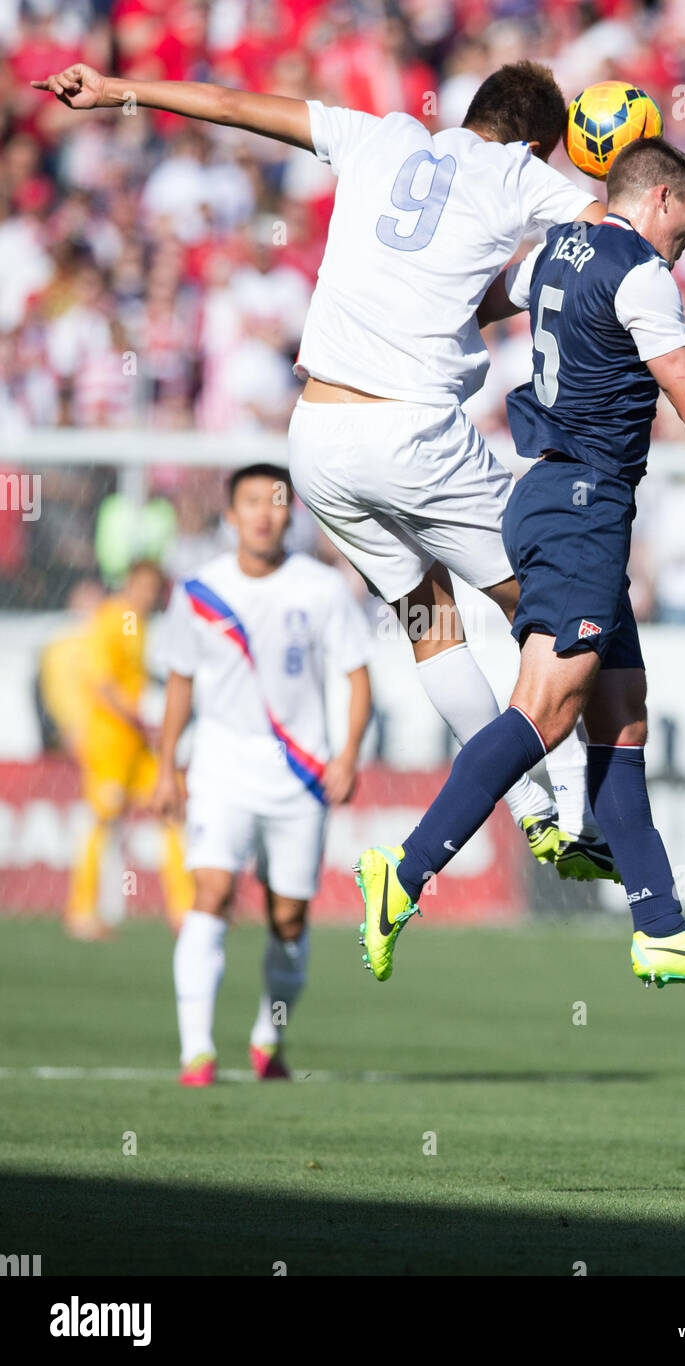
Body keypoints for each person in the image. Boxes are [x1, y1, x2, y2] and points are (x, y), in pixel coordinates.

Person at [31, 56, 617, 885]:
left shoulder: (377, 135)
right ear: (538, 141)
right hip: (412, 432)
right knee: (560, 604)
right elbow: (604, 239)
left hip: (319, 437)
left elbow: (230, 102)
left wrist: (119, 92)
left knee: (427, 618)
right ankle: (574, 804)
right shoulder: (519, 172)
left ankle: (530, 813)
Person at [354, 138, 685, 991]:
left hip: (551, 495)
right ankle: (407, 868)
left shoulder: (550, 251)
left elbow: (477, 306)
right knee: (544, 710)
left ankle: (661, 927)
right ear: (656, 199)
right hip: (583, 504)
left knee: (621, 712)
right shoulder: (640, 270)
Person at [153, 464, 372, 1085]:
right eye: (250, 501)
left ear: (290, 514)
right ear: (230, 514)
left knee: (289, 919)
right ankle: (196, 1050)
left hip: (300, 776)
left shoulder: (323, 587)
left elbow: (358, 676)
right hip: (222, 767)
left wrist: (348, 753)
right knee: (212, 894)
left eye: (276, 502)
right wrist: (167, 766)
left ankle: (267, 1038)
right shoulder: (198, 590)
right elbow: (179, 681)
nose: (263, 513)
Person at [66, 560, 193, 940]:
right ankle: (81, 911)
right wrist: (138, 716)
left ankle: (184, 909)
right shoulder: (112, 619)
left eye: (156, 588)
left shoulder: (139, 624)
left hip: (138, 743)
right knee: (102, 818)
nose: (150, 594)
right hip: (110, 742)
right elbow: (100, 683)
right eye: (145, 585)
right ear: (131, 582)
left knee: (170, 809)